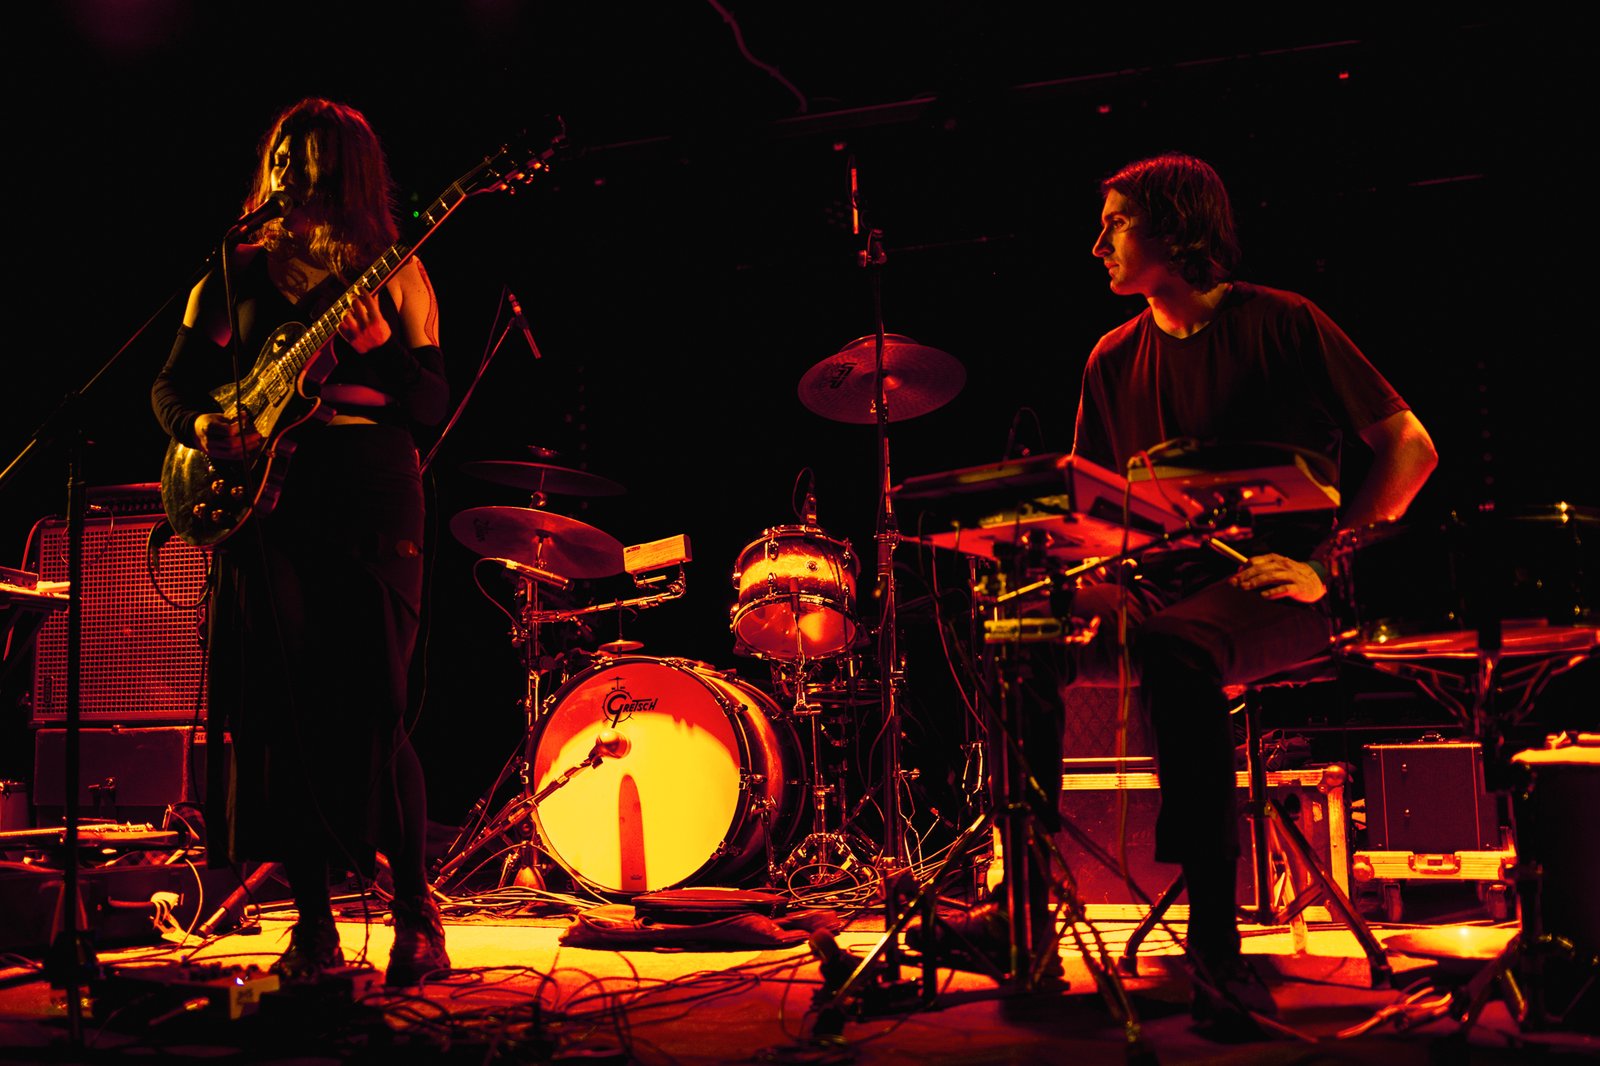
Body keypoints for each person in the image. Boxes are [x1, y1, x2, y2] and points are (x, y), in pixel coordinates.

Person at [1064, 154, 1437, 1027]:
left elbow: (1410, 447)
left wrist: (1331, 563)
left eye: (1115, 224)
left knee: (1175, 648)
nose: (1097, 245)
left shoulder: (1285, 321)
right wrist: (1089, 577)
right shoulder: (1110, 357)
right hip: (1160, 585)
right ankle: (1018, 917)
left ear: (1173, 229)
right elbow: (1095, 505)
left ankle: (1215, 947)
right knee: (1013, 634)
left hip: (1284, 587)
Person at [151, 98, 450, 985]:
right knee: (284, 712)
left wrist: (383, 348)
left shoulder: (398, 272)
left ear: (345, 168)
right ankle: (314, 925)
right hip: (269, 496)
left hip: (371, 485)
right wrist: (203, 426)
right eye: (280, 156)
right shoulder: (233, 271)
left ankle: (414, 914)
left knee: (376, 703)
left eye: (307, 157)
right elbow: (171, 386)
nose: (288, 171)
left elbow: (431, 405)